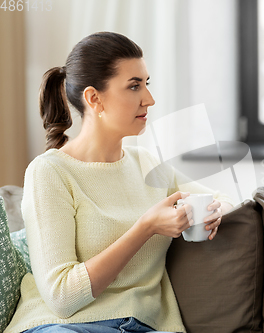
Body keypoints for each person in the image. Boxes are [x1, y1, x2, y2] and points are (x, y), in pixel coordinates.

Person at [5, 32, 233, 333]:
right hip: (64, 325)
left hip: (144, 325)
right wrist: (145, 227)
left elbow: (226, 198)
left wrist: (213, 213)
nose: (149, 99)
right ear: (94, 98)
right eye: (134, 86)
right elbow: (61, 297)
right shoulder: (49, 172)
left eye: (146, 84)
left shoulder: (148, 164)